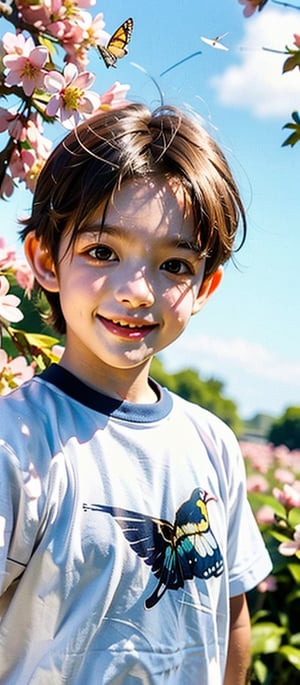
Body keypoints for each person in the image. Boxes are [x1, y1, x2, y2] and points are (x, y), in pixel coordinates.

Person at [0, 103, 272, 684]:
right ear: (46, 260)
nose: (137, 291)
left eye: (174, 264)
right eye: (103, 252)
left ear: (204, 286)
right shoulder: (15, 443)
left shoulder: (213, 443)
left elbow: (232, 615)